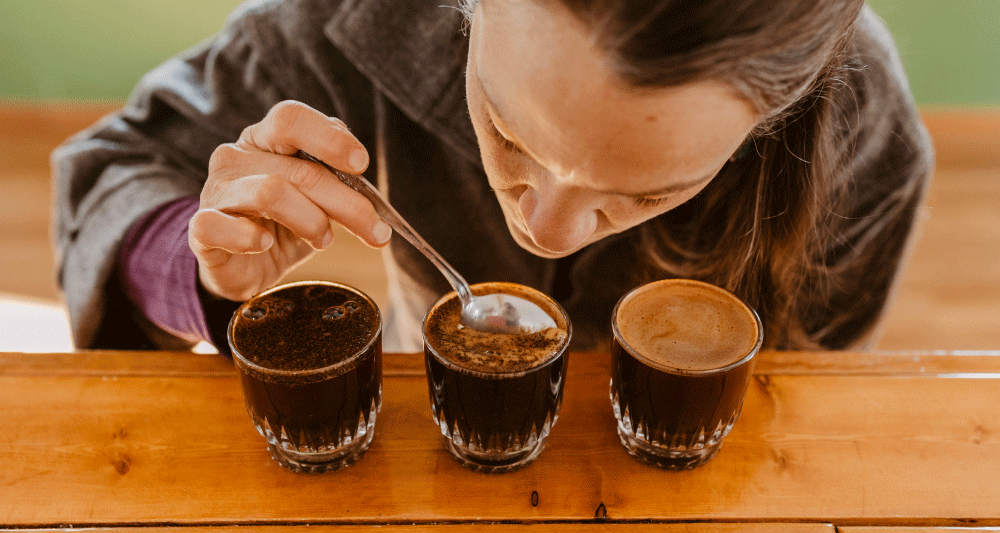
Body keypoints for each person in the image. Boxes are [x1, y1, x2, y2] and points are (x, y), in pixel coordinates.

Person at [52, 0, 932, 354]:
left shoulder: (866, 139)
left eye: (647, 192)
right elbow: (117, 172)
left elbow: (791, 404)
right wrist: (197, 254)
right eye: (509, 135)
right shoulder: (359, 14)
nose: (540, 233)